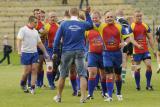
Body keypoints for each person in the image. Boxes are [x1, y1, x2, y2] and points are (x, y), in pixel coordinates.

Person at [93, 10, 142, 102]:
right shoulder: (101, 26)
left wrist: (124, 43)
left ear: (115, 18)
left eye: (111, 17)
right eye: (107, 17)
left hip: (117, 54)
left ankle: (119, 93)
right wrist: (88, 15)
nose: (109, 18)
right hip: (106, 54)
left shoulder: (120, 27)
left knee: (118, 76)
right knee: (109, 75)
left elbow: (128, 38)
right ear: (104, 18)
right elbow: (90, 24)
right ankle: (110, 96)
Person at [53, 7, 93, 103]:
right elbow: (91, 25)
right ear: (78, 13)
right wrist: (87, 14)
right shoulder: (82, 23)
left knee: (63, 75)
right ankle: (83, 98)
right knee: (82, 74)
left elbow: (57, 39)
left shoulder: (63, 24)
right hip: (80, 51)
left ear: (70, 13)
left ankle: (58, 97)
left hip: (67, 51)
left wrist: (55, 51)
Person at [17, 16, 49, 94]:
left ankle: (32, 87)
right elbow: (19, 40)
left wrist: (45, 52)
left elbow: (39, 43)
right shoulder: (23, 30)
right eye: (35, 22)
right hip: (25, 53)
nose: (37, 24)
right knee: (27, 71)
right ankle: (23, 83)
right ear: (30, 22)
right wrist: (19, 51)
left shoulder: (35, 31)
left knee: (35, 69)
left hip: (34, 53)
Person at [128, 10, 156, 91]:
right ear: (134, 17)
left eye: (140, 16)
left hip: (145, 51)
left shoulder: (145, 25)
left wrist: (154, 50)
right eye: (137, 16)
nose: (139, 17)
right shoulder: (132, 26)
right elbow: (131, 39)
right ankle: (138, 85)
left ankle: (148, 85)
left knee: (149, 66)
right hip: (136, 51)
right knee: (137, 69)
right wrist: (137, 45)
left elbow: (150, 38)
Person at [85, 11, 106, 99]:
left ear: (100, 18)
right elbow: (85, 42)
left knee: (103, 74)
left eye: (96, 17)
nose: (94, 19)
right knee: (92, 72)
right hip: (92, 54)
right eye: (93, 18)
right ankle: (90, 94)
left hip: (104, 54)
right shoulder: (88, 30)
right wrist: (86, 52)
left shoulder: (104, 27)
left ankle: (104, 93)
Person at [115, 9, 133, 83]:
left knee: (113, 60)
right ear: (122, 14)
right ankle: (122, 78)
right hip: (124, 42)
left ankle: (115, 77)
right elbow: (127, 33)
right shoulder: (125, 21)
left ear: (116, 14)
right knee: (124, 60)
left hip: (114, 43)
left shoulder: (113, 20)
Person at [44, 11, 59, 89]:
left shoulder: (59, 26)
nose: (53, 18)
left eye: (54, 16)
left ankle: (52, 81)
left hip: (57, 50)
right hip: (48, 49)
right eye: (51, 17)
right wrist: (43, 33)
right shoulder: (45, 26)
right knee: (50, 66)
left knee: (55, 67)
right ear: (48, 18)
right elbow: (39, 35)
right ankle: (50, 84)